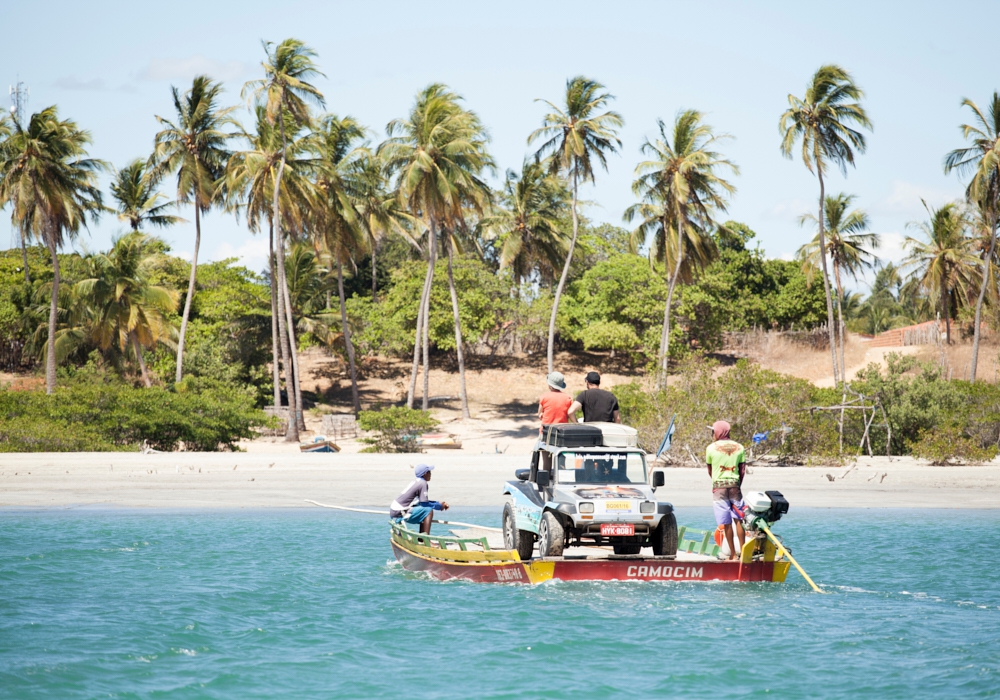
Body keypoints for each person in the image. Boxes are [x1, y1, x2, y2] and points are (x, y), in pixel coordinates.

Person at [705, 420, 747, 561]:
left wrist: (718, 483)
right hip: (735, 486)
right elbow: (742, 471)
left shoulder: (710, 448)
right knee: (739, 519)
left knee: (726, 522)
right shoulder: (739, 447)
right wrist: (736, 484)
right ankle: (744, 553)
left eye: (713, 432)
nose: (712, 435)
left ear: (717, 432)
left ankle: (733, 555)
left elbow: (710, 470)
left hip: (719, 488)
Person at [389, 464, 449, 534]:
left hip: (394, 509)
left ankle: (421, 538)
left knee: (424, 509)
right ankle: (426, 539)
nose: (430, 474)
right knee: (429, 510)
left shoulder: (417, 481)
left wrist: (438, 503)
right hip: (399, 511)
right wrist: (440, 506)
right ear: (425, 474)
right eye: (429, 472)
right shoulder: (423, 483)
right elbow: (424, 503)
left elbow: (423, 501)